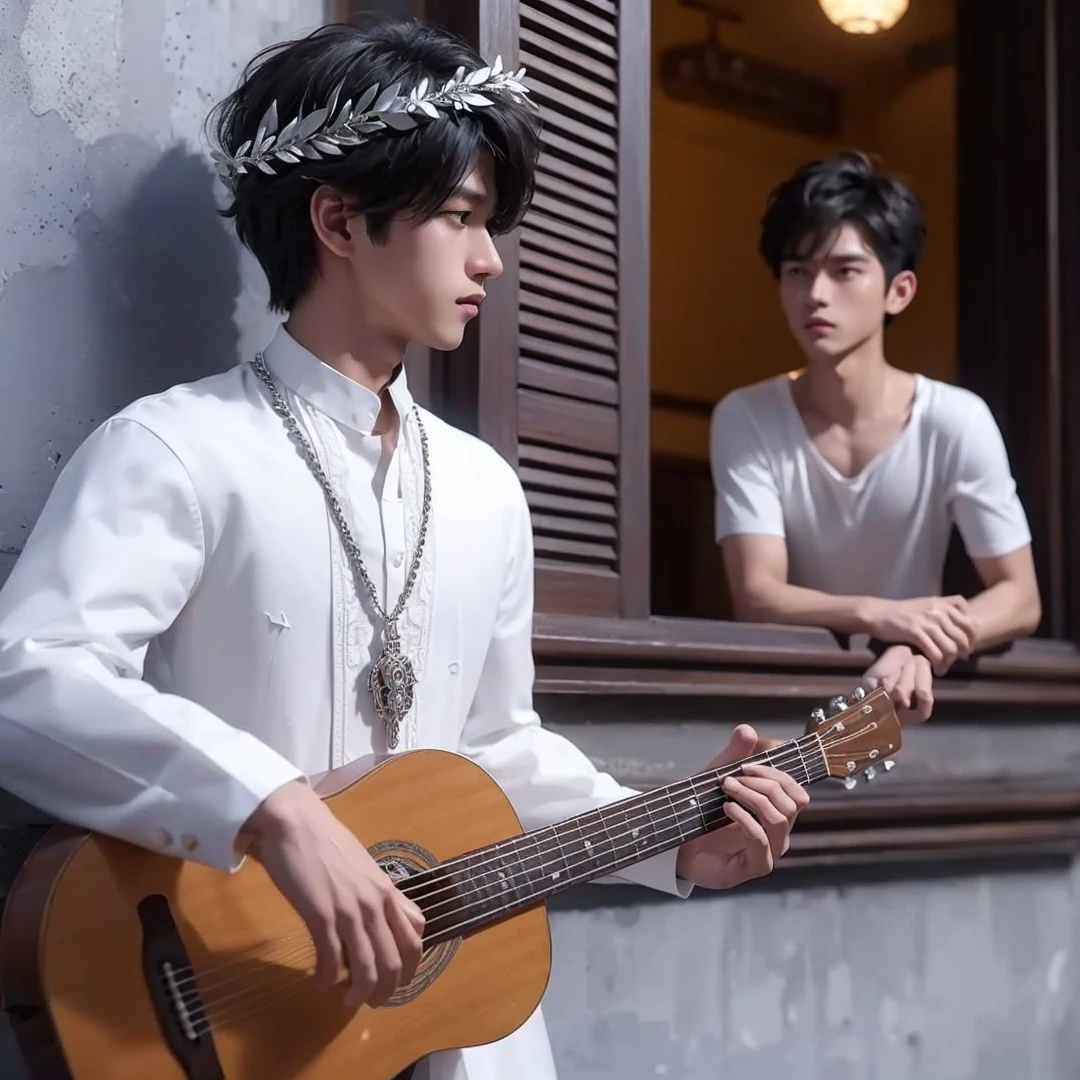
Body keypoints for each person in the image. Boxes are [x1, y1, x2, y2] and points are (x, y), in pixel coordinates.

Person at [0, 20, 811, 1080]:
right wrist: (269, 807)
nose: (492, 258)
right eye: (462, 219)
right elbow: (28, 677)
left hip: (451, 1024)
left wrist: (672, 837)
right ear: (338, 219)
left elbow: (497, 747)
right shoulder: (176, 449)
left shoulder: (485, 487)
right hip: (240, 1011)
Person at [710, 151, 1041, 720]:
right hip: (790, 699)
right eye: (797, 271)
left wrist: (917, 640)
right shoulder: (747, 416)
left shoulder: (955, 419)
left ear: (899, 291)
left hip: (912, 692)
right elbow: (758, 593)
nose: (815, 293)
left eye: (844, 270)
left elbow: (1020, 596)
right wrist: (883, 615)